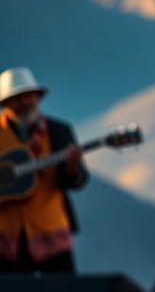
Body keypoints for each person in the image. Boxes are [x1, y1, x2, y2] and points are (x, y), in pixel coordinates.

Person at [0, 67, 88, 274]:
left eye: (28, 97)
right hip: (6, 240)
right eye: (16, 99)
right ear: (6, 104)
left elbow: (77, 182)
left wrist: (72, 168)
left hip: (52, 234)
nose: (23, 103)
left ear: (37, 97)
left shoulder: (59, 132)